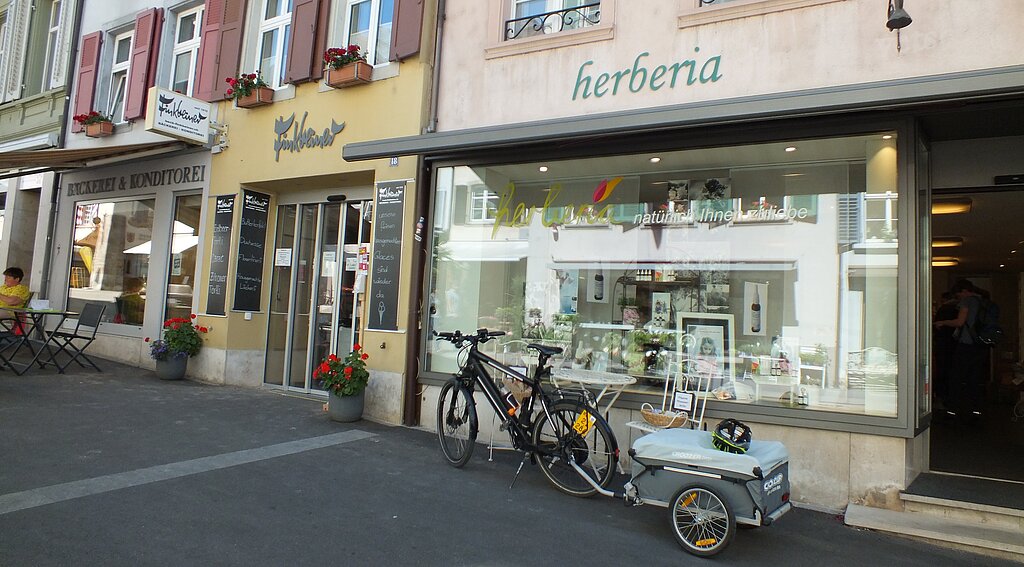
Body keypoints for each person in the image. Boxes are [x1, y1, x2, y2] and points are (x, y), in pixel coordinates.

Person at [934, 279, 985, 423]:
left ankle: (952, 409)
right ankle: (976, 409)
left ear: (964, 291)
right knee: (974, 377)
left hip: (966, 344)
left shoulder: (967, 301)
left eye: (958, 294)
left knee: (956, 376)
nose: (958, 298)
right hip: (980, 344)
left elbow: (960, 322)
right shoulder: (983, 301)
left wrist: (942, 322)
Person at [932, 291, 959, 411]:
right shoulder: (959, 308)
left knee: (942, 371)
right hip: (955, 344)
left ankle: (941, 398)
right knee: (951, 371)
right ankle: (952, 399)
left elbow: (937, 326)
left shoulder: (944, 309)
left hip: (943, 344)